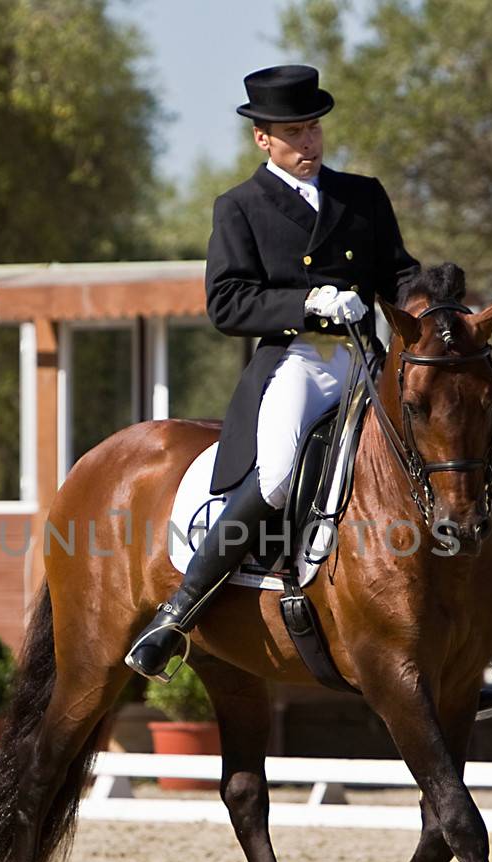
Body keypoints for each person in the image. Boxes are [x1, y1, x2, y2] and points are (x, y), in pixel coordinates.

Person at [126, 64, 419, 680]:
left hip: (368, 358)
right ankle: (179, 612)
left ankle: (454, 643)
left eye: (314, 130)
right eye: (294, 133)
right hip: (301, 359)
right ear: (263, 138)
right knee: (281, 473)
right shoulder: (241, 207)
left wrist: (432, 301)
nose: (309, 144)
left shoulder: (362, 196)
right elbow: (227, 302)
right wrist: (306, 304)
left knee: (428, 457)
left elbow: (399, 272)